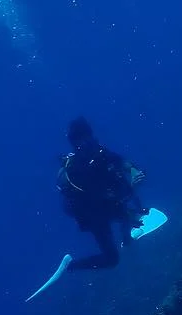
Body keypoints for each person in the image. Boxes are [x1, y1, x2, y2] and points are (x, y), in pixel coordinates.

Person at [26, 118, 150, 300]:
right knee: (111, 259)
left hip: (109, 205)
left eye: (88, 138)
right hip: (93, 215)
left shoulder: (102, 153)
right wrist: (127, 211)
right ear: (75, 144)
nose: (86, 144)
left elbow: (121, 162)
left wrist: (134, 171)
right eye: (81, 141)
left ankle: (128, 237)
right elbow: (101, 202)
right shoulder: (77, 169)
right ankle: (70, 266)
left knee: (126, 211)